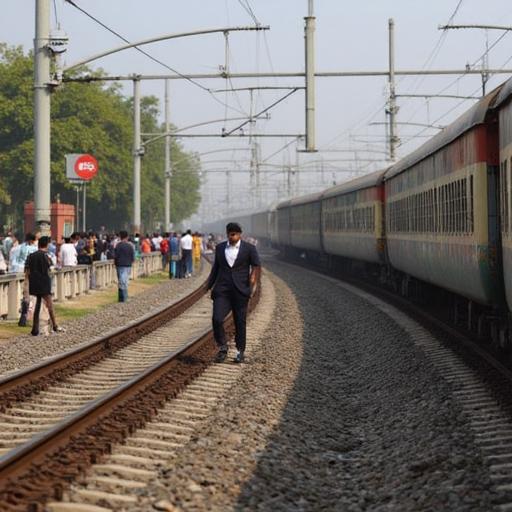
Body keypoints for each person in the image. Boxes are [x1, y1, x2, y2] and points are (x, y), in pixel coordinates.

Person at [206, 222, 261, 363]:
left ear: (240, 234)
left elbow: (256, 265)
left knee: (240, 322)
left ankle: (240, 351)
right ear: (227, 233)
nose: (232, 235)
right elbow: (215, 270)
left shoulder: (249, 249)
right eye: (230, 233)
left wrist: (252, 284)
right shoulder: (219, 248)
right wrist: (207, 286)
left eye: (235, 233)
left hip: (240, 291)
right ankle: (223, 346)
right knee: (217, 319)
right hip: (222, 291)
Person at [25, 236, 63, 336]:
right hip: (44, 283)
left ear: (38, 244)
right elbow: (50, 268)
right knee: (49, 305)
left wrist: (27, 284)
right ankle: (55, 325)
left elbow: (27, 271)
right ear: (47, 245)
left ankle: (35, 328)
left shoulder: (31, 256)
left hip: (34, 284)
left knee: (37, 306)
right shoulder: (46, 256)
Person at [114, 230, 135, 302]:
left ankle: (122, 298)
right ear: (127, 237)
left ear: (120, 236)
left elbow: (115, 256)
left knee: (121, 281)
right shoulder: (130, 246)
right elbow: (133, 257)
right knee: (125, 281)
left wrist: (116, 263)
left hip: (120, 265)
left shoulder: (118, 245)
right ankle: (124, 297)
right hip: (128, 265)